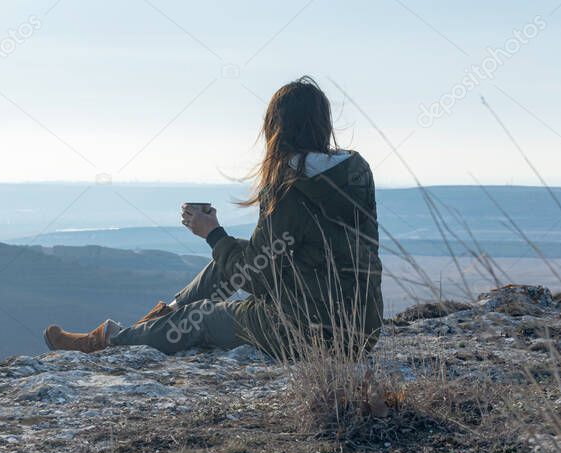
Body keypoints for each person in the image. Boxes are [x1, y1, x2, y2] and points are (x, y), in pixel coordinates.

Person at [44, 76, 383, 359]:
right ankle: (154, 321)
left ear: (275, 129)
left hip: (307, 330)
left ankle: (108, 342)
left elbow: (255, 275)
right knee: (225, 260)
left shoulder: (289, 187)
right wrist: (222, 243)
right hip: (361, 327)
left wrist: (212, 233)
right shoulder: (355, 172)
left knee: (199, 318)